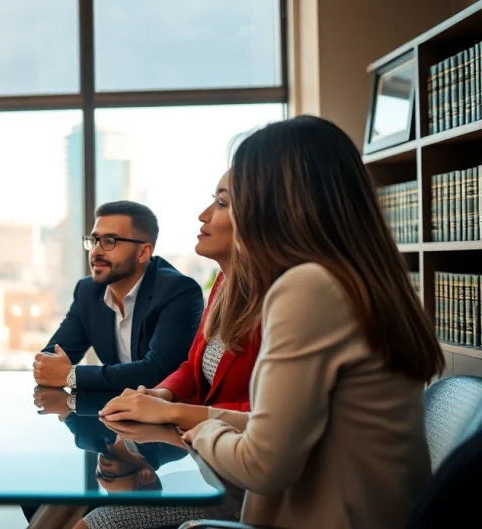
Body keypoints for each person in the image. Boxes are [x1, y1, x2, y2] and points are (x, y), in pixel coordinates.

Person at [176, 115, 443, 529]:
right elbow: (288, 428)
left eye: (236, 200)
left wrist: (202, 433)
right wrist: (195, 419)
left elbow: (263, 466)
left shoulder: (308, 288)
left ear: (275, 202)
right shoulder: (360, 280)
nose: (230, 214)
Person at [69, 170, 258, 528]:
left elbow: (269, 416)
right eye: (95, 240)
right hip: (210, 461)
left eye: (220, 203)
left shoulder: (273, 302)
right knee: (69, 508)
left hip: (242, 486)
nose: (203, 214)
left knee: (91, 522)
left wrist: (172, 413)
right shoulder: (224, 283)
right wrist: (162, 393)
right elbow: (192, 365)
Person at [33, 201, 204, 392]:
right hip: (115, 411)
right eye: (94, 240)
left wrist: (72, 376)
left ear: (143, 252)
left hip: (168, 415)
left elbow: (159, 372)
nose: (96, 251)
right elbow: (50, 360)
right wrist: (52, 370)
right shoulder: (88, 291)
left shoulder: (178, 291)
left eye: (109, 241)